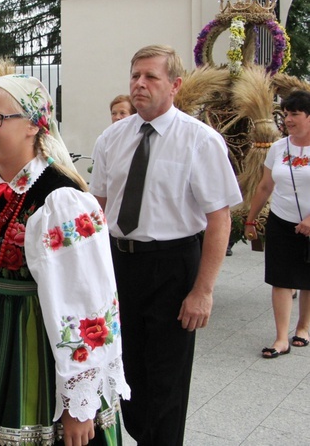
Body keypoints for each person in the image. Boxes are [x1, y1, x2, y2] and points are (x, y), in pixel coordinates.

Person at [0, 74, 129, 446]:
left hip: (37, 333)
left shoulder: (61, 200)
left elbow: (86, 302)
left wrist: (77, 406)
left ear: (34, 124)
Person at [89, 44, 242, 445]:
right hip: (120, 265)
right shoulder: (111, 138)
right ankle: (143, 435)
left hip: (172, 265)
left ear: (174, 85)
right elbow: (98, 207)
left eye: (151, 77)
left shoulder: (200, 140)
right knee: (128, 371)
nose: (140, 84)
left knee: (167, 378)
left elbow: (219, 219)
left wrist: (203, 291)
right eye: (135, 76)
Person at [244, 90, 310, 358]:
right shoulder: (277, 148)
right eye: (286, 114)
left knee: (307, 280)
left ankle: (303, 328)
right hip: (281, 221)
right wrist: (251, 219)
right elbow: (265, 185)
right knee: (280, 279)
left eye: (295, 114)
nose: (288, 120)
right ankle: (281, 337)